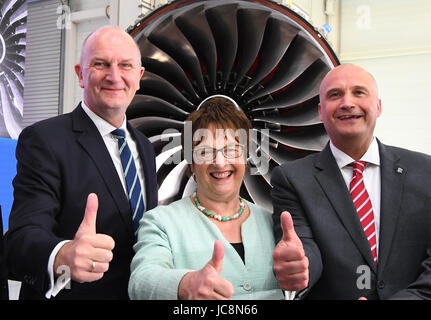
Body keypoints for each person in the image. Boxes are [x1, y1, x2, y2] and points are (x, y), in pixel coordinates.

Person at [5, 26, 158, 299]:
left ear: (139, 76)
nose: (114, 76)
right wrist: (62, 255)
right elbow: (21, 239)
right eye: (101, 64)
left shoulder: (144, 147)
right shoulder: (44, 140)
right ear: (80, 75)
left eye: (125, 65)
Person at [271, 63, 431, 300]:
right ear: (320, 111)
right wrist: (300, 267)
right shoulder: (292, 179)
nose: (347, 103)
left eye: (359, 92)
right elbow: (304, 248)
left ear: (378, 106)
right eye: (335, 95)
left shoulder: (425, 171)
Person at [128, 97, 283, 300]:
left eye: (231, 150)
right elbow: (141, 280)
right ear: (191, 164)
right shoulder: (160, 222)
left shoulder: (271, 222)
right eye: (205, 152)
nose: (220, 163)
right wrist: (184, 285)